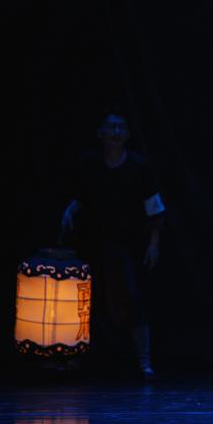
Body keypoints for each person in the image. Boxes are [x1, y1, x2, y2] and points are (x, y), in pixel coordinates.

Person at [61, 108, 164, 380]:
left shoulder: (139, 167)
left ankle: (144, 361)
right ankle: (74, 357)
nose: (116, 133)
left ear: (127, 134)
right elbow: (81, 196)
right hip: (93, 242)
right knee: (85, 301)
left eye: (121, 128)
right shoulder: (90, 164)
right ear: (101, 133)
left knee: (131, 299)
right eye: (111, 127)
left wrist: (154, 244)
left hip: (126, 245)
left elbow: (154, 209)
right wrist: (70, 210)